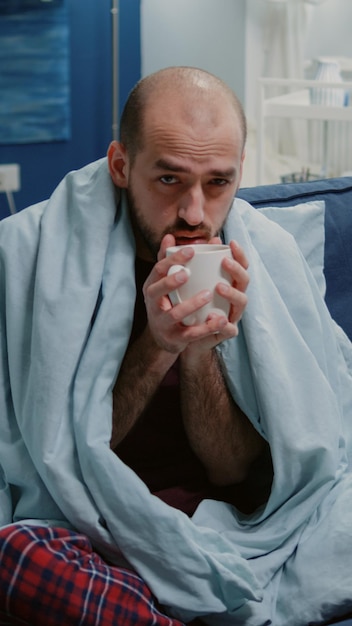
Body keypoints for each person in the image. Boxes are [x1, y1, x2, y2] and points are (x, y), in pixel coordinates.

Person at [0, 66, 352, 626]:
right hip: (96, 530)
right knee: (16, 556)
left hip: (226, 526)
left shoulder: (264, 258)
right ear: (121, 165)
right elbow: (58, 461)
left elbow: (235, 472)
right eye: (169, 181)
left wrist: (197, 351)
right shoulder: (38, 257)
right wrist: (156, 346)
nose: (195, 213)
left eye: (218, 183)